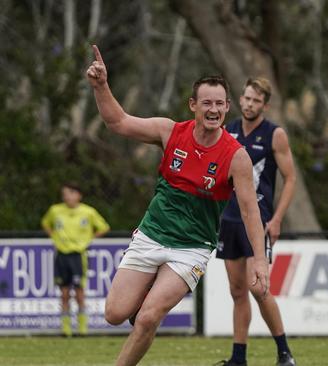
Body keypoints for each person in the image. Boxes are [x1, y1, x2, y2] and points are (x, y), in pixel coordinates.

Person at [85, 45, 269, 366]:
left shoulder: (236, 156)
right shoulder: (170, 132)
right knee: (115, 314)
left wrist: (260, 259)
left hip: (191, 248)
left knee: (147, 318)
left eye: (220, 104)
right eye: (207, 103)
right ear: (193, 105)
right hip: (152, 235)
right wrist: (101, 86)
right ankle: (146, 297)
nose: (213, 109)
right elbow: (118, 122)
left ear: (228, 107)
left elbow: (251, 210)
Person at [216, 78, 297, 366]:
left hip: (258, 221)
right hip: (229, 219)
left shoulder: (275, 134)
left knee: (258, 288)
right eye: (246, 98)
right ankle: (239, 358)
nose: (249, 104)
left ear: (265, 105)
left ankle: (284, 353)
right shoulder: (228, 130)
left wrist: (277, 218)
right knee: (237, 291)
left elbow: (290, 178)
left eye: (256, 100)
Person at [41, 182, 110, 337]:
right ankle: (65, 330)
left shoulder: (88, 212)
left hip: (78, 255)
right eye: (64, 193)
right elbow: (45, 223)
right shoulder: (55, 210)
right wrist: (55, 237)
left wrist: (88, 239)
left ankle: (82, 329)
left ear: (78, 195)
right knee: (64, 293)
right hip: (61, 255)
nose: (67, 196)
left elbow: (104, 227)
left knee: (79, 292)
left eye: (70, 193)